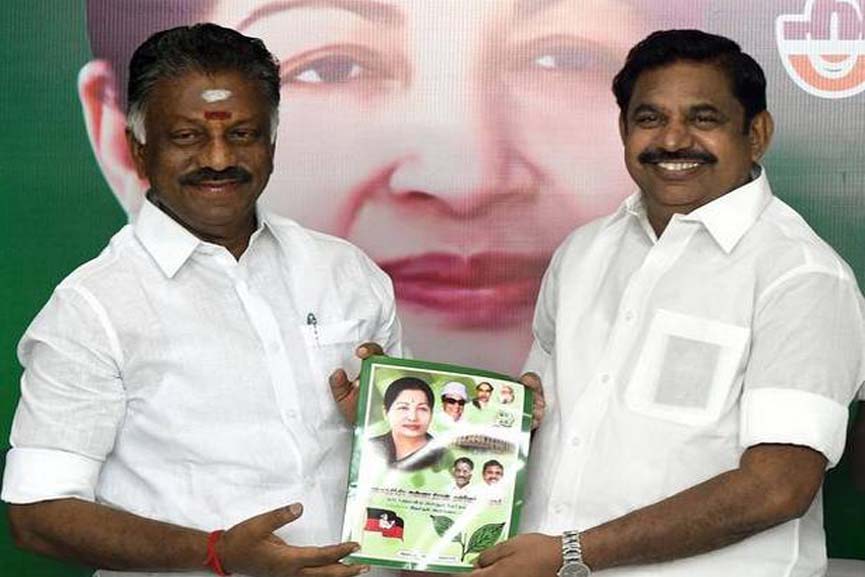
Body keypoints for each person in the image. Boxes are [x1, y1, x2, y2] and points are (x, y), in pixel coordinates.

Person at [78, 0, 706, 376]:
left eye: (562, 60)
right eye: (332, 67)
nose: (466, 181)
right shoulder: (96, 321)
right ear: (130, 149)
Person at [2, 24, 403, 577]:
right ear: (139, 148)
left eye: (243, 133)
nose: (218, 158)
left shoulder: (346, 272)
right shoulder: (93, 307)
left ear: (271, 143)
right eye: (187, 136)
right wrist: (217, 553)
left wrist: (402, 425)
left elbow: (411, 456)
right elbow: (37, 514)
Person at [472, 30, 865, 577]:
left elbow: (778, 486)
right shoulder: (584, 251)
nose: (674, 140)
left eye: (703, 118)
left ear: (756, 134)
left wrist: (571, 554)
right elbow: (540, 419)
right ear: (624, 129)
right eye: (650, 118)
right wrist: (405, 410)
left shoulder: (801, 276)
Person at [368, 377, 444, 471]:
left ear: (431, 414)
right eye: (403, 408)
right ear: (386, 413)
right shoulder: (369, 448)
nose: (412, 417)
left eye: (422, 409)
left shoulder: (443, 456)